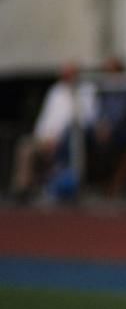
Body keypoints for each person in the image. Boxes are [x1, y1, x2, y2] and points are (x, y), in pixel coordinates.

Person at [11, 61, 98, 203]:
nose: (66, 77)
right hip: (47, 139)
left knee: (67, 145)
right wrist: (43, 137)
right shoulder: (56, 91)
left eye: (70, 74)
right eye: (64, 74)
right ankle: (23, 189)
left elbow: (87, 119)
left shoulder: (85, 91)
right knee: (26, 146)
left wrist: (59, 138)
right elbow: (45, 119)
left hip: (69, 140)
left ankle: (61, 189)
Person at [88, 56, 126, 198]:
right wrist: (99, 126)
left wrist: (110, 128)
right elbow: (97, 111)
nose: (107, 76)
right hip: (102, 132)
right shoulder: (104, 90)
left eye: (110, 72)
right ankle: (95, 185)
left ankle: (111, 186)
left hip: (123, 134)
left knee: (109, 147)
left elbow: (124, 115)